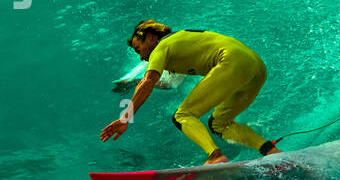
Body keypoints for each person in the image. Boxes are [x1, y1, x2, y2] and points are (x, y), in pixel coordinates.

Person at [99, 20, 283, 165]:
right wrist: (136, 82)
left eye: (139, 49)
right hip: (256, 67)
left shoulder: (161, 48)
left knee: (182, 115)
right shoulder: (179, 42)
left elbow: (149, 80)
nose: (141, 57)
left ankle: (215, 156)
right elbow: (164, 83)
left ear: (149, 36)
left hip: (230, 61)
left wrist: (125, 118)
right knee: (220, 124)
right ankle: (270, 150)